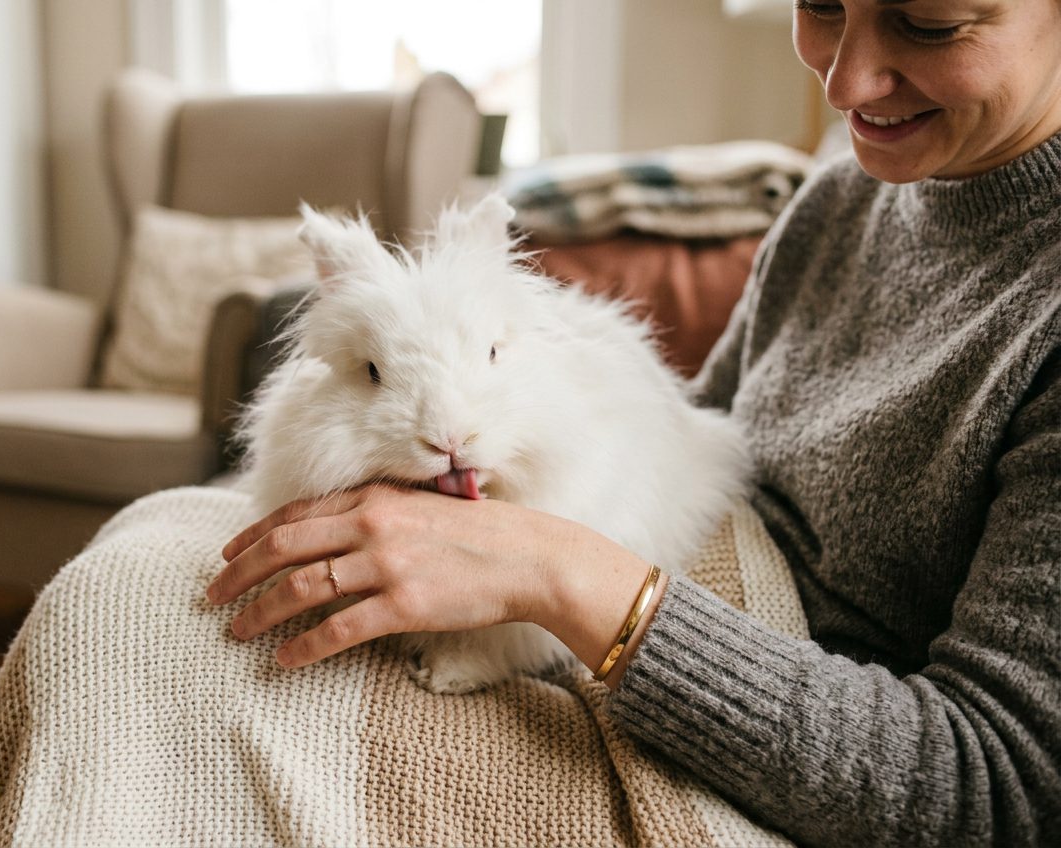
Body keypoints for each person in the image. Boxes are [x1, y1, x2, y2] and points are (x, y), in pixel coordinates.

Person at [207, 0, 1061, 844]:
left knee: (186, 705)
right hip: (668, 613)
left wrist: (556, 570)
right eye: (822, 4)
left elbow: (996, 793)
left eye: (931, 23)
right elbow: (702, 431)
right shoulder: (839, 200)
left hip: (747, 744)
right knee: (143, 586)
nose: (844, 82)